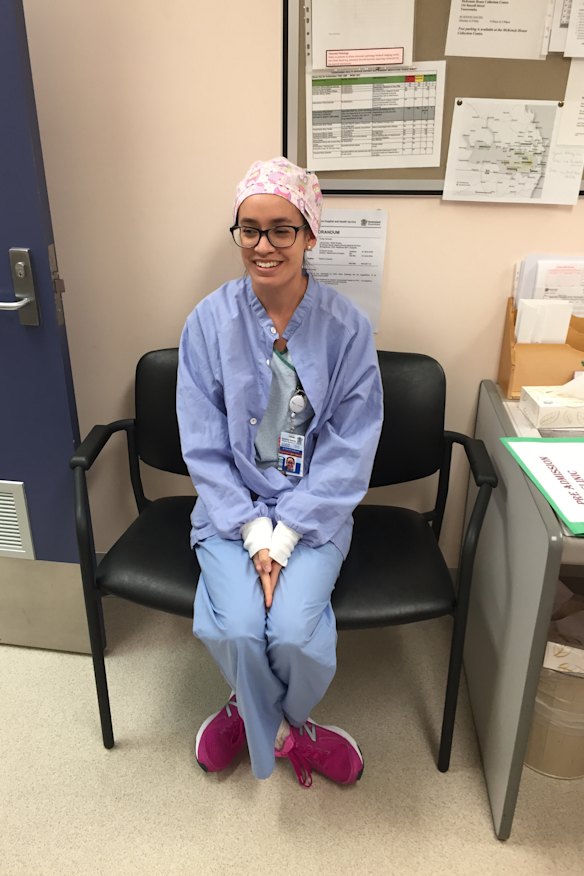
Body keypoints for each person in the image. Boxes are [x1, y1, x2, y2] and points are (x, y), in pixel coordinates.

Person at [176, 157, 383, 788]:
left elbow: (352, 446)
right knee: (237, 624)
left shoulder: (346, 328)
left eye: (281, 229)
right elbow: (204, 444)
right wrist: (249, 532)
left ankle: (259, 713)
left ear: (310, 234)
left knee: (295, 635)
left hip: (315, 511)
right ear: (236, 234)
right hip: (228, 508)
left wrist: (287, 534)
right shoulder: (207, 323)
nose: (264, 246)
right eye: (250, 230)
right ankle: (289, 731)